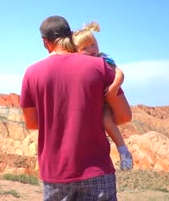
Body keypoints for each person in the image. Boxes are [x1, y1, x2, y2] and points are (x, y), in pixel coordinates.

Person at [20, 15, 132, 201]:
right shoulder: (100, 66)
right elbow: (124, 116)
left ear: (45, 43)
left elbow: (32, 123)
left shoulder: (32, 73)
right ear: (70, 36)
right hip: (97, 169)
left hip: (56, 172)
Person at [72, 21, 133, 171]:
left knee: (105, 120)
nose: (91, 49)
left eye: (93, 44)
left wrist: (114, 86)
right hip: (96, 104)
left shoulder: (103, 58)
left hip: (107, 103)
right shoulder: (80, 65)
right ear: (77, 51)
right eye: (85, 48)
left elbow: (120, 73)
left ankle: (123, 151)